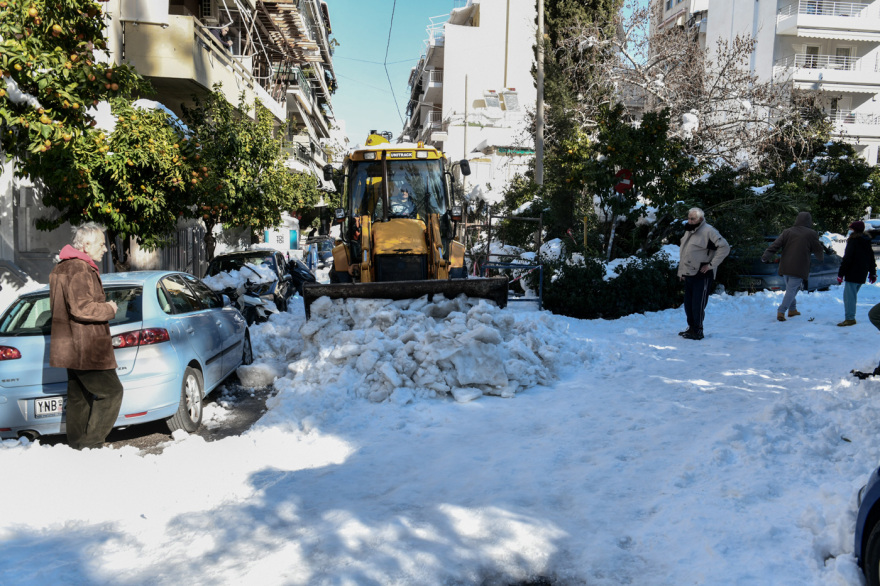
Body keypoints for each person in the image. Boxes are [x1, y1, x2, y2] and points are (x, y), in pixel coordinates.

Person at [49, 223, 123, 450]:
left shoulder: (61, 268)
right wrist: (110, 308)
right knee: (112, 392)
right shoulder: (79, 269)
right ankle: (92, 445)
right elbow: (82, 308)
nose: (105, 249)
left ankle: (77, 446)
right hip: (88, 347)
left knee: (79, 396)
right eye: (101, 244)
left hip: (71, 346)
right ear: (86, 244)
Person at [677, 207, 730, 340]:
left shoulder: (709, 231)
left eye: (692, 219)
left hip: (702, 274)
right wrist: (681, 272)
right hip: (689, 272)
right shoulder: (689, 231)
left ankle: (698, 331)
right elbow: (684, 253)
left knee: (698, 304)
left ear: (700, 219)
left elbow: (725, 247)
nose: (689, 221)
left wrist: (711, 265)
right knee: (688, 304)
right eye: (688, 218)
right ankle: (691, 328)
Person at [761, 211, 825, 322]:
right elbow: (818, 249)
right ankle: (781, 311)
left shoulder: (787, 232)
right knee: (791, 291)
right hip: (799, 267)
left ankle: (792, 310)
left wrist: (765, 256)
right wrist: (821, 258)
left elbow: (775, 245)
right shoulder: (811, 233)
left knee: (792, 289)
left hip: (785, 266)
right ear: (809, 221)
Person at [837, 220, 877, 326]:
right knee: (852, 296)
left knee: (849, 297)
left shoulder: (853, 241)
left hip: (852, 273)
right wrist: (872, 272)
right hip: (862, 273)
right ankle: (850, 317)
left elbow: (847, 258)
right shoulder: (866, 241)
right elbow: (871, 258)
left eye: (851, 228)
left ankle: (850, 319)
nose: (850, 230)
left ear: (854, 230)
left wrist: (841, 274)